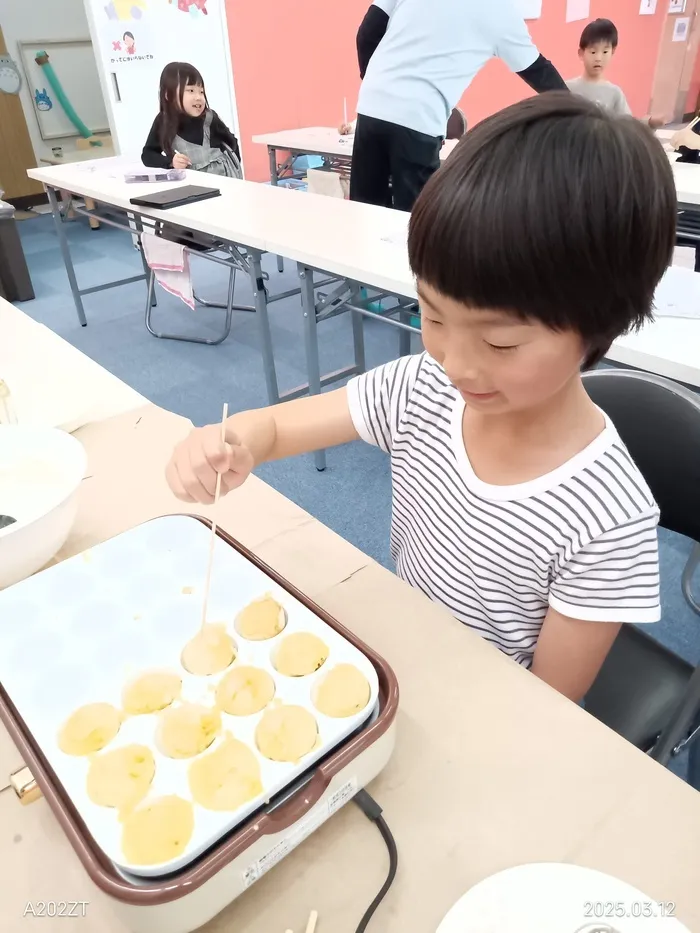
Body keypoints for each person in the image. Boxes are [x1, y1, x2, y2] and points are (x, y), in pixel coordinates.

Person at [165, 93, 675, 704]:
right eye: (432, 317)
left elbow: (547, 707)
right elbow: (274, 430)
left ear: (601, 326)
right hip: (403, 650)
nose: (455, 362)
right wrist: (231, 441)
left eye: (498, 341)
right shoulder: (422, 390)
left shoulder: (607, 516)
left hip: (486, 703)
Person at [349, 0, 567, 212]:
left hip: (372, 103)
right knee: (417, 224)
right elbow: (539, 71)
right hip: (418, 115)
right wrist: (576, 110)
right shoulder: (499, 10)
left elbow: (367, 34)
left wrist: (379, 88)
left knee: (364, 214)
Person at [141, 62, 242, 177]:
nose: (199, 97)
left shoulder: (210, 118)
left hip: (224, 179)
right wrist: (170, 162)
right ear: (168, 95)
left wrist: (235, 170)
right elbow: (148, 155)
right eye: (191, 90)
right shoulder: (163, 121)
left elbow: (232, 142)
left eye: (201, 91)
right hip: (191, 184)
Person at [567, 18, 662, 127]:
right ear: (581, 53)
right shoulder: (567, 88)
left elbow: (628, 126)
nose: (598, 58)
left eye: (605, 52)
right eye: (593, 52)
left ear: (613, 52)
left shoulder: (614, 93)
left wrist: (649, 123)